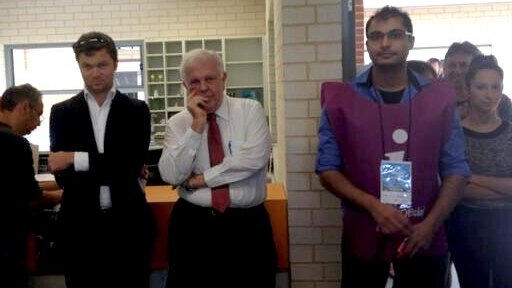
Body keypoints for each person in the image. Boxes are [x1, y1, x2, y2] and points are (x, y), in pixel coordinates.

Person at [315, 6, 469, 288]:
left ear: (410, 41)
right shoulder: (342, 101)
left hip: (423, 231)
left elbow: (457, 170)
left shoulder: (437, 100)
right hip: (363, 232)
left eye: (395, 35)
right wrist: (375, 207)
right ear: (367, 45)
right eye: (376, 36)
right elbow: (327, 168)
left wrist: (430, 226)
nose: (384, 43)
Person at [158, 49, 277, 288]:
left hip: (247, 226)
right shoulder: (177, 123)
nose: (203, 87)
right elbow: (171, 175)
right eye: (194, 81)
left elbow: (252, 160)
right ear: (184, 86)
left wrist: (198, 180)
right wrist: (196, 126)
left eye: (210, 79)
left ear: (224, 78)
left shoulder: (249, 110)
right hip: (193, 226)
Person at [48, 31, 155, 288]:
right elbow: (63, 176)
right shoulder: (61, 112)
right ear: (79, 67)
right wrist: (113, 166)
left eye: (102, 65)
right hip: (80, 229)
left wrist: (75, 158)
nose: (95, 72)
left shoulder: (136, 111)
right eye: (87, 66)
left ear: (115, 64)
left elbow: (130, 165)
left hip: (128, 228)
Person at [447, 55, 512, 288]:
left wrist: (471, 178)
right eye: (481, 87)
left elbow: (463, 183)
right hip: (466, 225)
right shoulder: (454, 134)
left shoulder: (510, 132)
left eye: (495, 87)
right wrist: (503, 187)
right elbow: (453, 189)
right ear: (468, 89)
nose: (489, 94)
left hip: (507, 224)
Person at [0, 84, 44, 287]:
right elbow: (31, 198)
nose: (38, 124)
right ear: (25, 108)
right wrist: (67, 193)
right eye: (39, 115)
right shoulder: (15, 144)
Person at [444, 41, 512, 121]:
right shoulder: (437, 103)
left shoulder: (499, 102)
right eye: (452, 65)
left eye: (463, 65)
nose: (457, 71)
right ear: (444, 68)